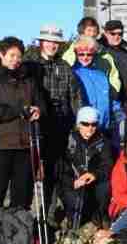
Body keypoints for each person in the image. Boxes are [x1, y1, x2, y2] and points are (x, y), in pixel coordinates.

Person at [0, 37, 45, 244]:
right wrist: (21, 110)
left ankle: (16, 237)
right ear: (1, 56)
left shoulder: (28, 80)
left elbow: (40, 103)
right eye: (11, 56)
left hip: (24, 144)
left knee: (21, 193)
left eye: (18, 55)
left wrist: (38, 111)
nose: (16, 60)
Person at [24, 24, 83, 214]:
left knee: (57, 170)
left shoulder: (64, 67)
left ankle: (49, 213)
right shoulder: (30, 65)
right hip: (38, 125)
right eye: (49, 41)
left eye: (56, 42)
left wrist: (78, 121)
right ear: (41, 42)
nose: (52, 45)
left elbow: (75, 96)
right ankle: (34, 214)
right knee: (38, 171)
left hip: (62, 124)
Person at [58, 107, 113, 230]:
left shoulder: (103, 141)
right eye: (85, 124)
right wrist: (73, 182)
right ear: (79, 124)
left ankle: (100, 213)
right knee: (71, 196)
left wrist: (94, 175)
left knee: (106, 186)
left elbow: (107, 165)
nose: (90, 128)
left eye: (94, 124)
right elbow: (62, 169)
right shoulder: (68, 141)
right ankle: (74, 215)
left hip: (94, 182)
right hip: (75, 183)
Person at [71, 36, 121, 133]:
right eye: (81, 54)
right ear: (76, 54)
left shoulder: (101, 75)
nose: (85, 57)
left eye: (89, 54)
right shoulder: (73, 73)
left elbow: (111, 100)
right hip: (85, 129)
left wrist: (120, 114)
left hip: (104, 127)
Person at [62, 17, 121, 93]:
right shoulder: (70, 54)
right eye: (89, 30)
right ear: (81, 32)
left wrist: (113, 93)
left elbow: (114, 77)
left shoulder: (105, 55)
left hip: (102, 99)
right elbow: (64, 76)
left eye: (95, 31)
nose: (92, 34)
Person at [99, 20, 127, 96]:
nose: (116, 37)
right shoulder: (98, 52)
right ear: (106, 33)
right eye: (113, 34)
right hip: (104, 96)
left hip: (124, 99)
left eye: (120, 34)